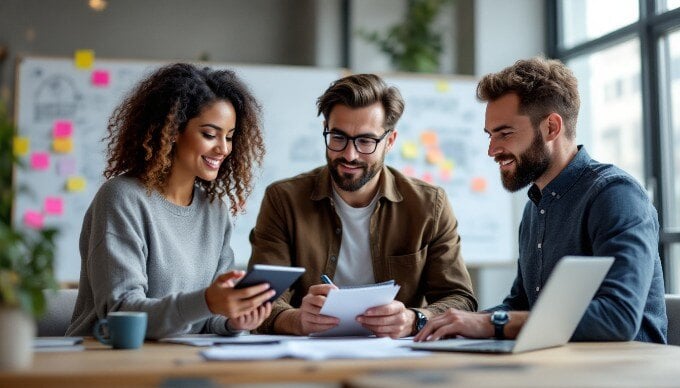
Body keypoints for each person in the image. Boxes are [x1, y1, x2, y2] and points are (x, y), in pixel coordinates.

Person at [414, 57, 667, 343]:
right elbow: (521, 305)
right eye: (490, 136)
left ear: (551, 128)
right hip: (556, 367)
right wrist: (447, 322)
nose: (492, 150)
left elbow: (617, 318)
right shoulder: (536, 205)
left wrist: (492, 324)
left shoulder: (615, 195)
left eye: (505, 133)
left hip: (624, 375)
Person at [248, 74, 477, 338]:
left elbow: (460, 298)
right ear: (326, 129)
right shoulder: (283, 200)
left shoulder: (429, 205)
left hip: (396, 360)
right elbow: (258, 301)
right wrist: (296, 319)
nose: (349, 154)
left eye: (366, 141)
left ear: (389, 141)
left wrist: (414, 319)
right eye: (338, 137)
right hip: (305, 360)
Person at [67, 63, 275, 339]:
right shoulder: (121, 198)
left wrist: (234, 320)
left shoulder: (214, 210)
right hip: (109, 359)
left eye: (229, 136)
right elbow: (121, 313)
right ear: (173, 130)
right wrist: (208, 302)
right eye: (210, 134)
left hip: (182, 360)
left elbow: (206, 319)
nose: (223, 149)